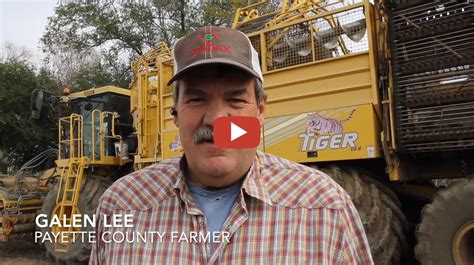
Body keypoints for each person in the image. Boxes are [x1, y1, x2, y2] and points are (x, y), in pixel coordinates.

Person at [89, 26, 373, 264]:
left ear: (260, 110)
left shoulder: (325, 208)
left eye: (236, 100)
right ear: (174, 112)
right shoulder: (120, 206)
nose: (214, 119)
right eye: (197, 99)